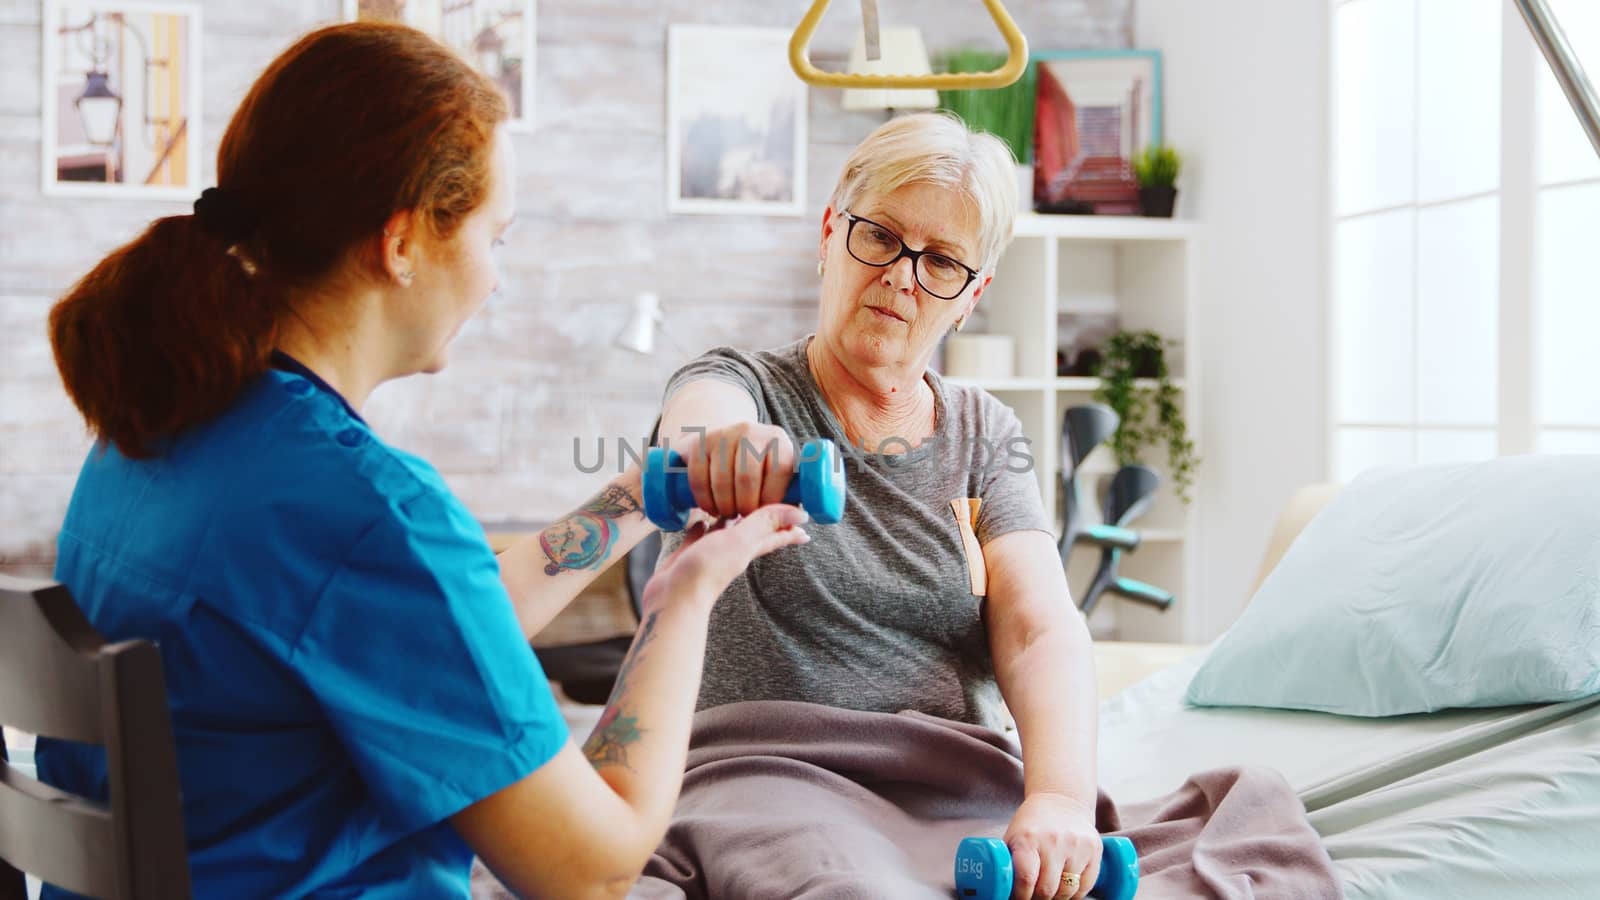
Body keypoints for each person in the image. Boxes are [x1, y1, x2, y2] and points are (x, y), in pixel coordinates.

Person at [37, 22, 808, 899]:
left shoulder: (155, 434)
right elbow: (592, 868)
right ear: (403, 243)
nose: (494, 278)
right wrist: (686, 593)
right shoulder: (367, 513)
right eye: (496, 237)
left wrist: (641, 495)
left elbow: (435, 635)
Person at [657, 112, 1103, 900]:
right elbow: (699, 417)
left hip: (950, 786)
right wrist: (727, 449)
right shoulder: (744, 385)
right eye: (881, 237)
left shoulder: (986, 433)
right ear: (831, 233)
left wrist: (1060, 798)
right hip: (764, 776)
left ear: (971, 296)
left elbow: (1039, 630)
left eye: (941, 262)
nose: (902, 275)